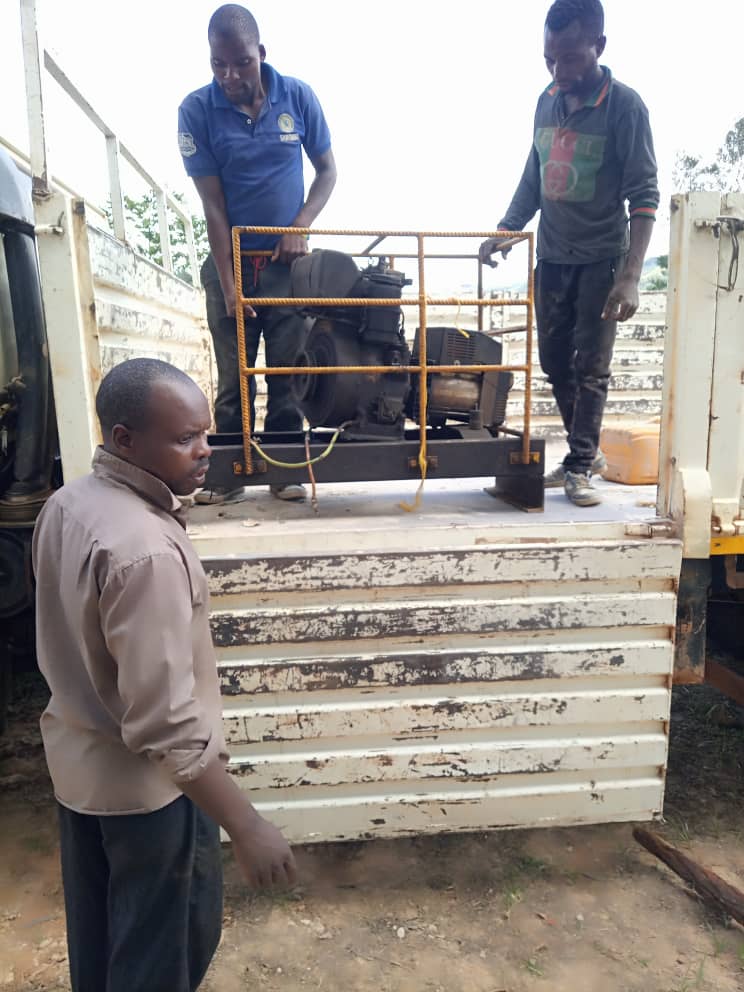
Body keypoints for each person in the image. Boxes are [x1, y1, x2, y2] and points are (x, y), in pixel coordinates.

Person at [32, 358, 297, 992]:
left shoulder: (68, 503)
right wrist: (247, 826)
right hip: (149, 799)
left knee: (103, 945)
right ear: (125, 439)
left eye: (205, 433)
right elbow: (167, 724)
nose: (205, 450)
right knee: (161, 958)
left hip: (81, 775)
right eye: (184, 438)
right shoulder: (144, 549)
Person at [480, 0, 658, 507]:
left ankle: (580, 464)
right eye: (549, 59)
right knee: (555, 361)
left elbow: (644, 196)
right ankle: (588, 453)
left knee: (591, 366)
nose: (559, 72)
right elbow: (535, 174)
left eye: (571, 59)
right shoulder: (547, 101)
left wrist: (630, 276)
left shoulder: (625, 107)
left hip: (602, 259)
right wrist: (507, 228)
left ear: (599, 46)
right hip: (553, 257)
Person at [178, 4, 337, 504]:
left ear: (261, 54)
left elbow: (328, 172)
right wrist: (229, 288)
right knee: (234, 380)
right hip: (231, 264)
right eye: (218, 64)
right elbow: (214, 207)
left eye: (241, 63)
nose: (230, 76)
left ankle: (284, 470)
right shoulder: (196, 110)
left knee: (288, 372)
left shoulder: (298, 96)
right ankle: (229, 475)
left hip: (288, 268)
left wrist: (299, 226)